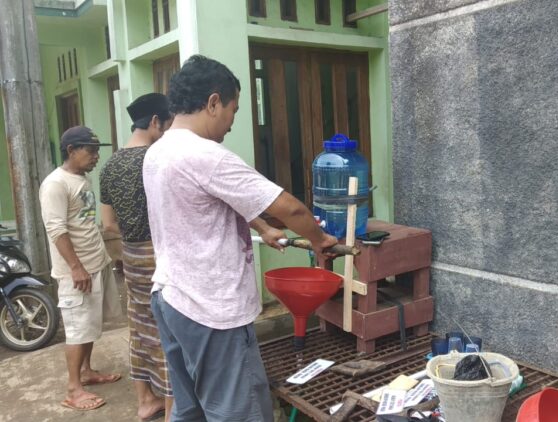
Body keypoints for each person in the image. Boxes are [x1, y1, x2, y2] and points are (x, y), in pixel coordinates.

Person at [143, 54, 338, 421]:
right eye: (233, 110)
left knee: (190, 408)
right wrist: (318, 239)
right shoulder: (206, 155)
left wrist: (262, 227)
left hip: (171, 297)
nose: (232, 122)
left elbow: (206, 204)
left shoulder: (158, 152)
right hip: (210, 308)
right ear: (213, 102)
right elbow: (291, 209)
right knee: (237, 411)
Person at [99, 93, 174, 421]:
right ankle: (173, 409)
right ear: (155, 121)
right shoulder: (156, 159)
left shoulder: (110, 165)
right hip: (160, 254)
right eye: (167, 124)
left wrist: (132, 238)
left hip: (131, 255)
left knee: (141, 324)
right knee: (168, 327)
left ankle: (145, 400)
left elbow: (108, 224)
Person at [39, 126, 122, 411]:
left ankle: (86, 372)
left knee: (89, 325)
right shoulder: (55, 184)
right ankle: (73, 390)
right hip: (76, 272)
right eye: (91, 150)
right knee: (77, 329)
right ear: (71, 150)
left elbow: (84, 222)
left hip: (95, 264)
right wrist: (76, 267)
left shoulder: (82, 179)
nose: (96, 156)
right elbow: (56, 229)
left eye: (98, 150)